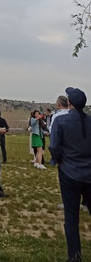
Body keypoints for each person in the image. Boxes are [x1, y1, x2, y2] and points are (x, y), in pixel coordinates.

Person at [50, 87, 91, 262]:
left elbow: (54, 146)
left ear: (70, 103)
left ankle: (75, 256)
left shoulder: (61, 121)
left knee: (71, 217)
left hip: (69, 172)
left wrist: (58, 160)